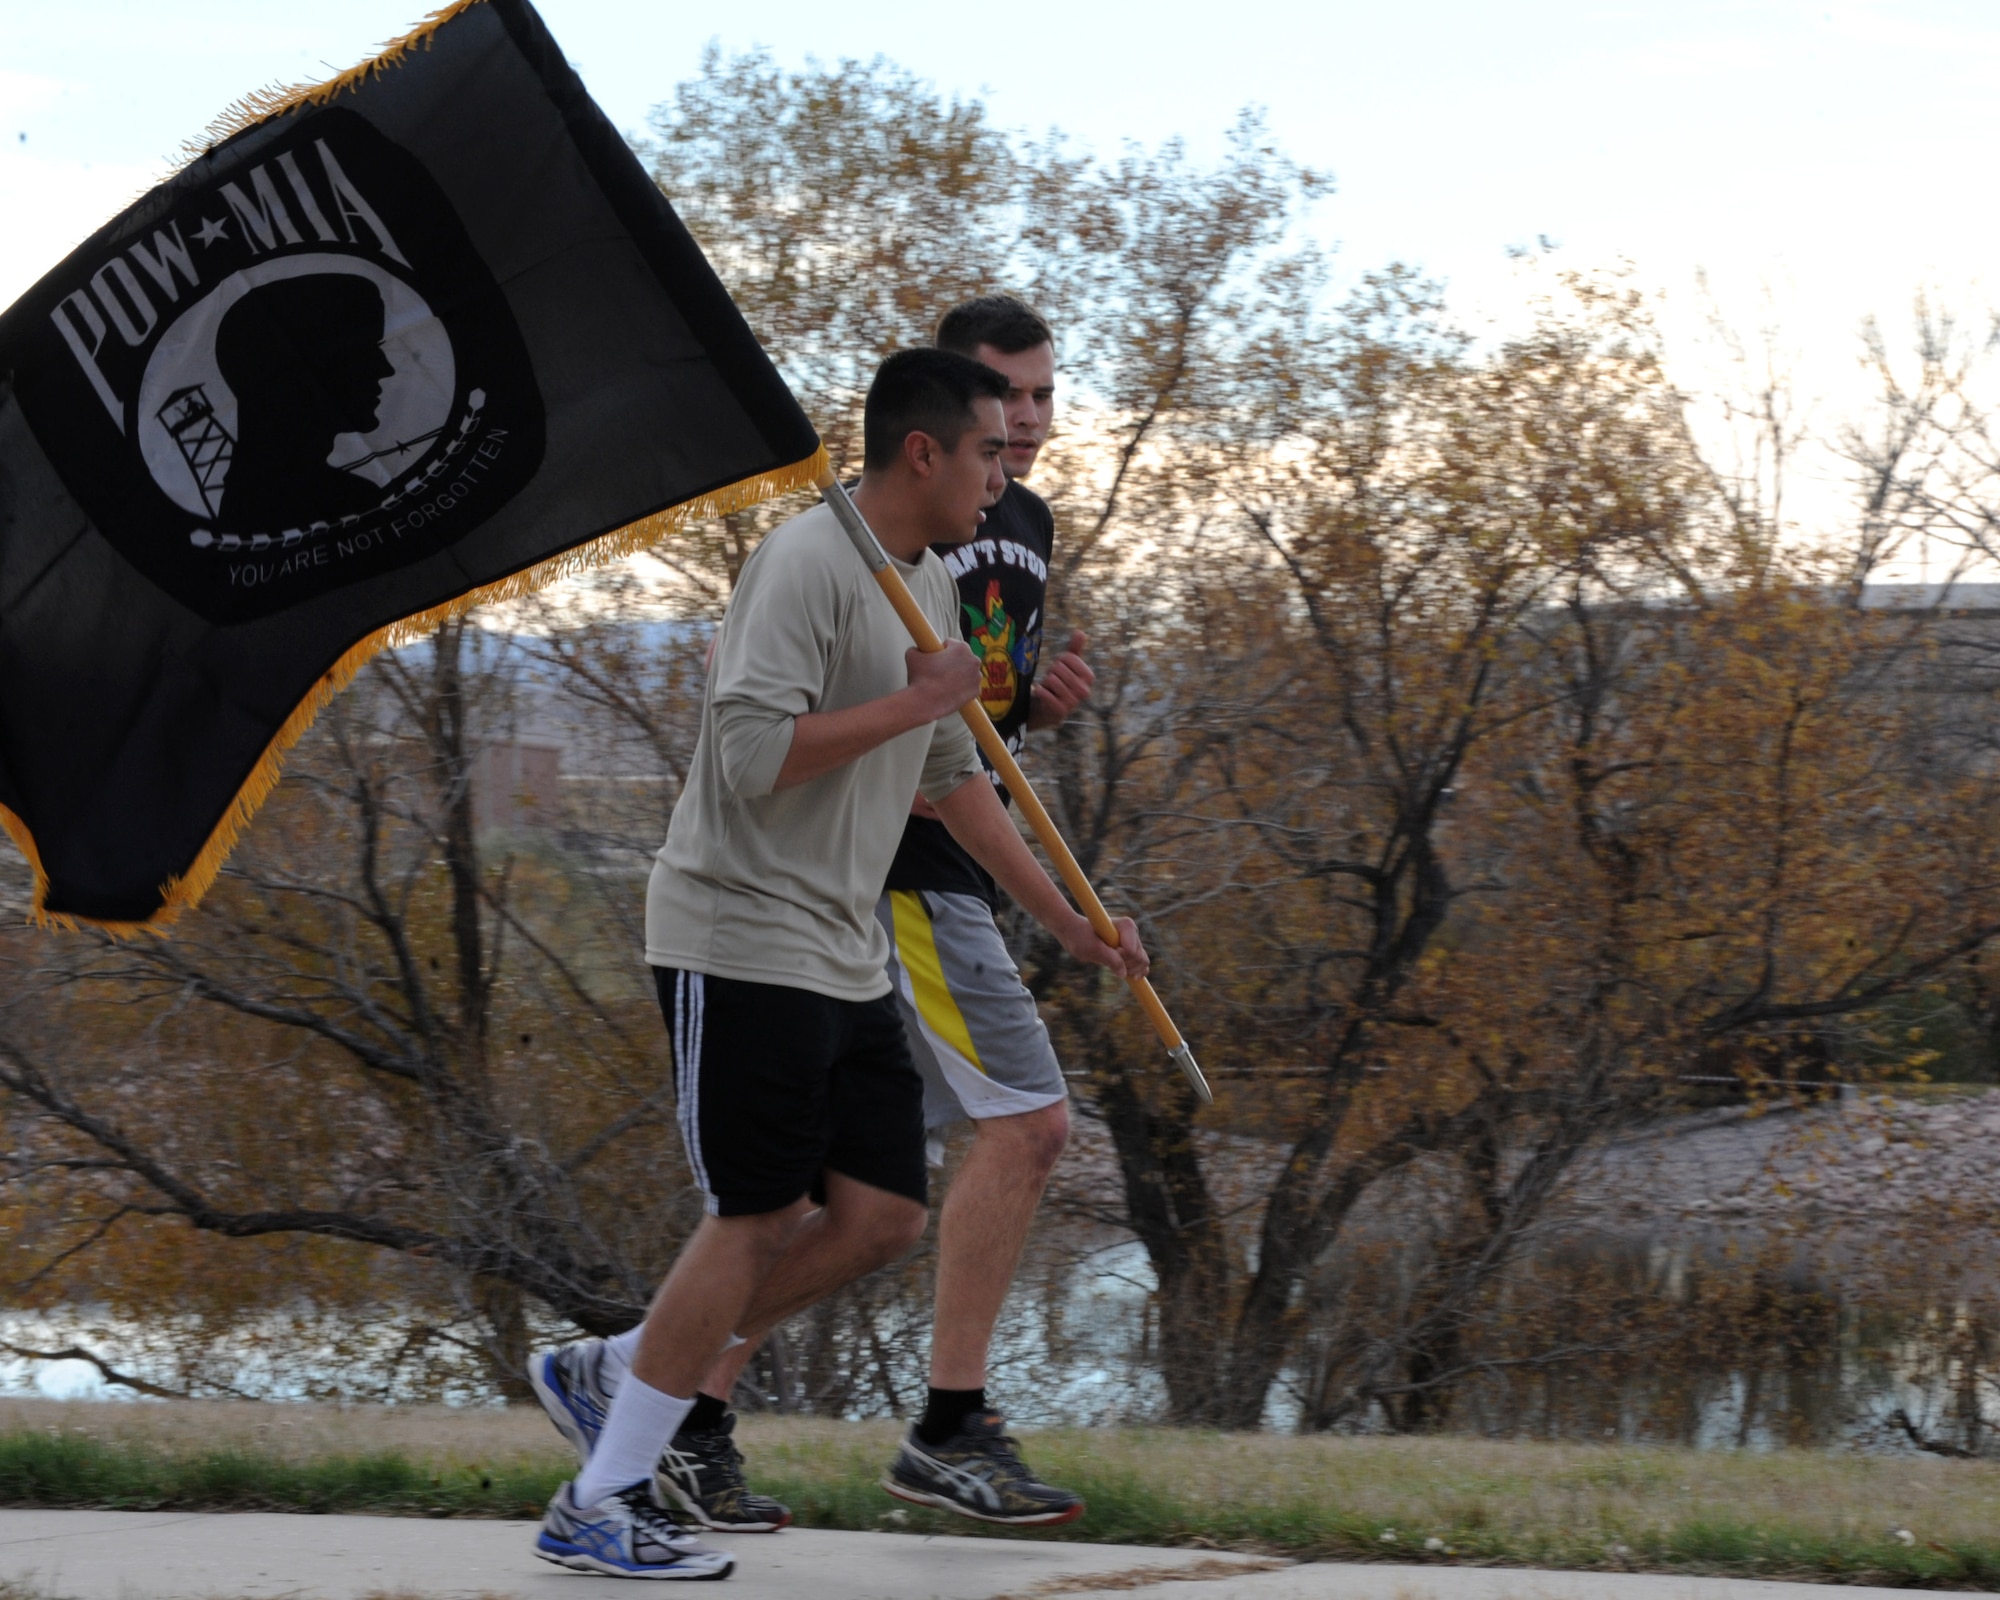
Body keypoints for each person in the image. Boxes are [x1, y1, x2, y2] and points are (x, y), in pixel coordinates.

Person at [529, 346, 1147, 1579]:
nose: (1003, 470)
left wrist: (1067, 921)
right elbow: (754, 752)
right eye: (985, 448)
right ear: (922, 452)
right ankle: (600, 1500)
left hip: (840, 946)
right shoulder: (808, 561)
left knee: (877, 1217)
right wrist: (922, 701)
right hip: (738, 932)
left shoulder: (915, 581)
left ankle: (617, 1369)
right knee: (755, 1214)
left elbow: (956, 787)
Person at [660, 295, 1103, 1532]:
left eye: (1039, 397)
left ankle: (673, 1406)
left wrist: (1033, 722)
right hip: (881, 874)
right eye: (996, 399)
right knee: (1021, 1130)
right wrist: (935, 726)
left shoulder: (1011, 522)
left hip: (925, 854)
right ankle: (938, 1423)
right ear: (931, 425)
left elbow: (969, 731)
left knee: (860, 1207)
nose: (1018, 422)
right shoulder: (861, 538)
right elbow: (802, 724)